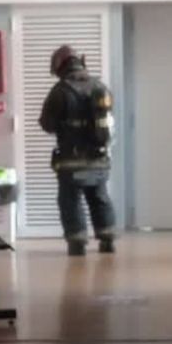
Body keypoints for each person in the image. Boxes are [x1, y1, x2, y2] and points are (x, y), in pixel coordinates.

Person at [38, 45, 117, 256]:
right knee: (99, 196)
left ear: (60, 66)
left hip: (70, 161)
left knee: (70, 200)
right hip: (99, 159)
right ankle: (107, 240)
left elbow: (47, 124)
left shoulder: (60, 91)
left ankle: (77, 243)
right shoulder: (101, 87)